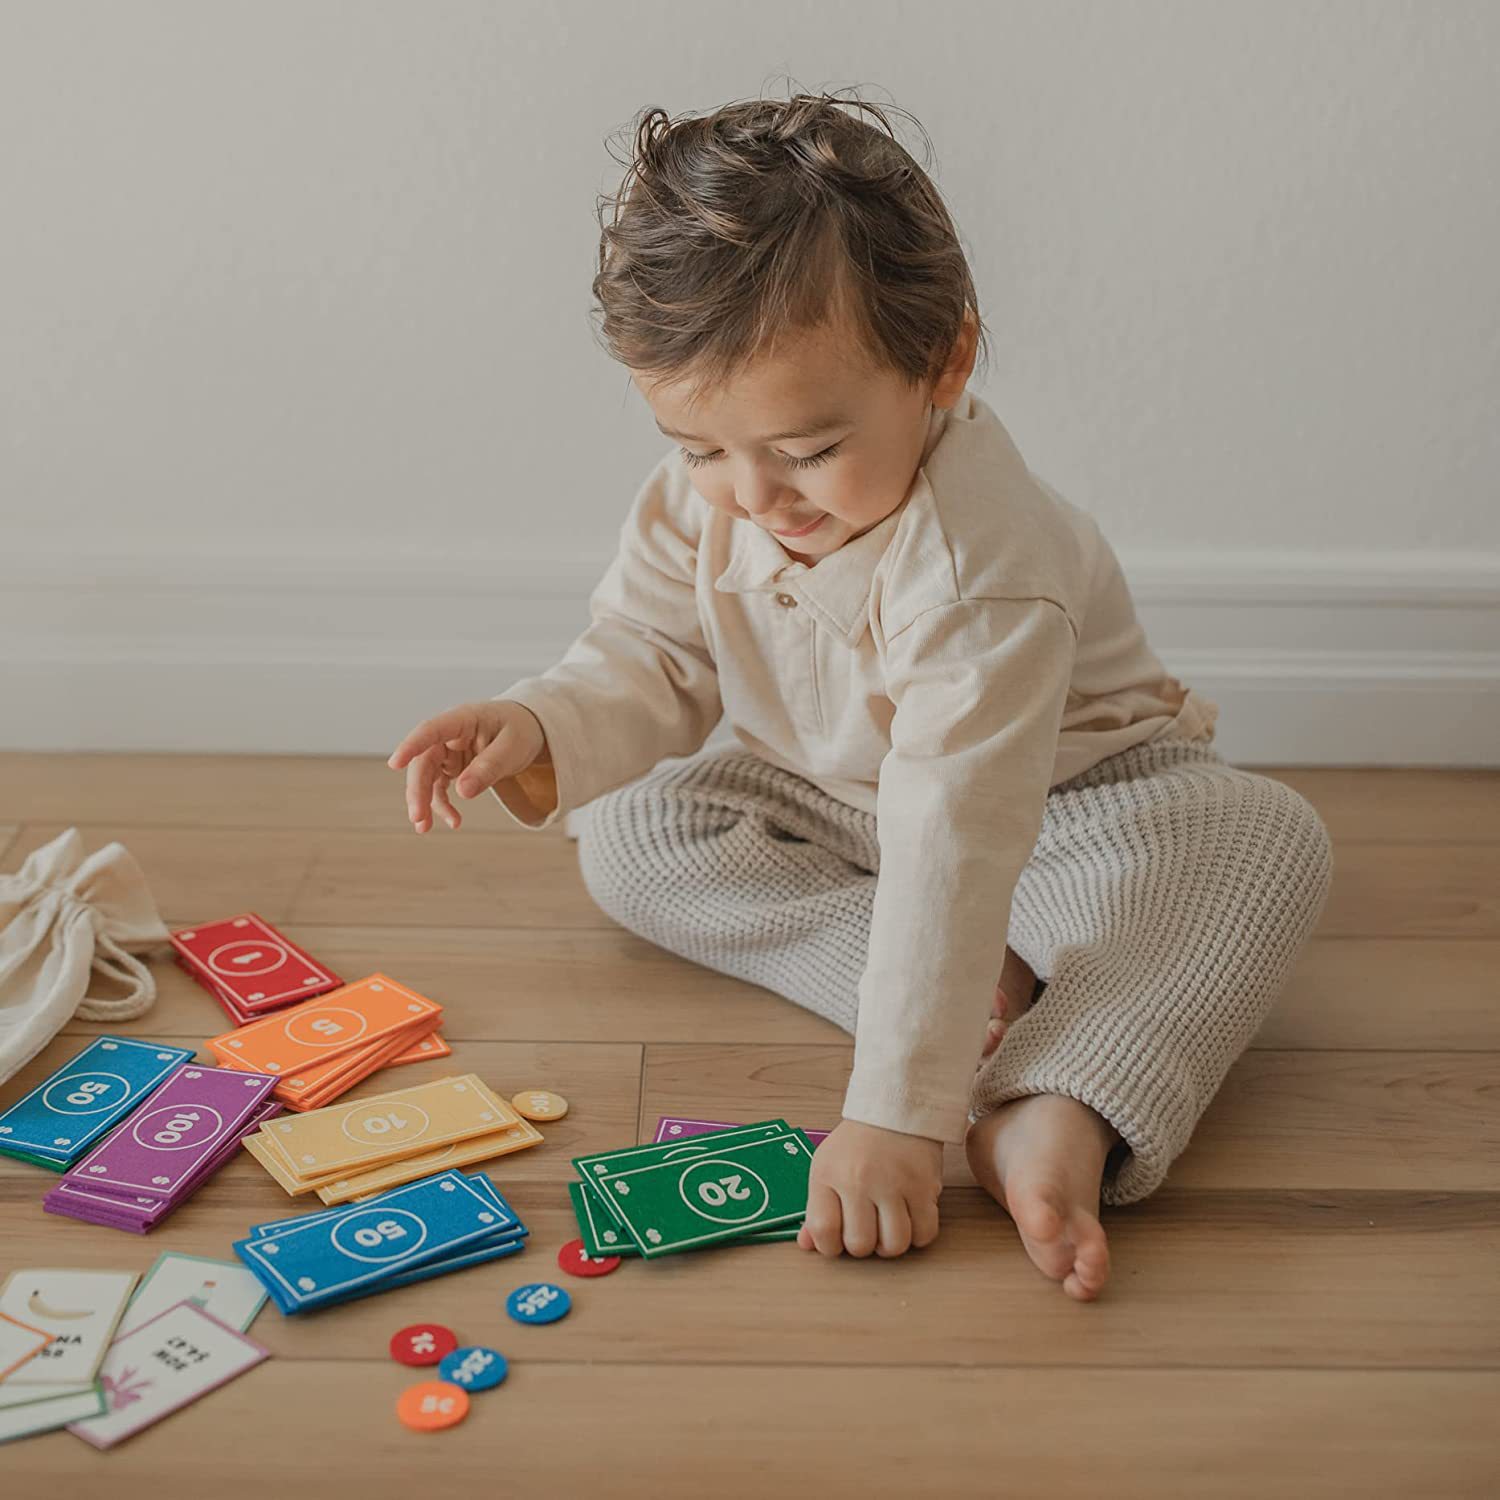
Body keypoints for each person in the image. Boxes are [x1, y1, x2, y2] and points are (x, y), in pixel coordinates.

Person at [387, 90, 1334, 1301]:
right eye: (700, 448)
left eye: (809, 450)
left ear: (942, 364)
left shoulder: (976, 570)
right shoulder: (710, 498)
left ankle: (1058, 1098)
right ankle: (956, 982)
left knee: (1262, 841)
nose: (753, 495)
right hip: (833, 801)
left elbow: (957, 823)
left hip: (1075, 800)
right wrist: (540, 721)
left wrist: (897, 1115)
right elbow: (652, 655)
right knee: (629, 832)